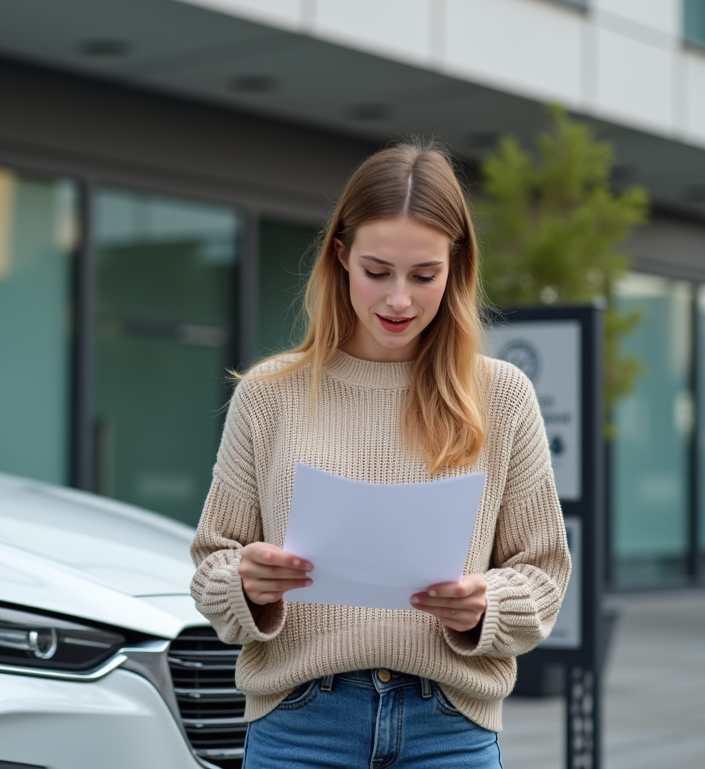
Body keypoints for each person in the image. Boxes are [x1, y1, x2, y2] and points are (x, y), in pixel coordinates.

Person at [190, 142, 571, 768]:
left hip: (447, 727)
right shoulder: (267, 395)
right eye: (377, 271)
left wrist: (485, 605)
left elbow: (544, 573)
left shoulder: (501, 396)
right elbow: (213, 562)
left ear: (457, 267)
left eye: (424, 275)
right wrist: (247, 584)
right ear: (340, 257)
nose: (399, 299)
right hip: (300, 725)